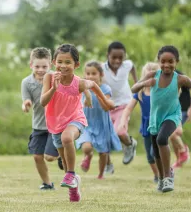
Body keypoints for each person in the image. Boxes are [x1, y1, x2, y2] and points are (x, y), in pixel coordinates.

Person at [131, 45, 191, 192]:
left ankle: (168, 176)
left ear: (177, 62)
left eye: (171, 61)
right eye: (163, 61)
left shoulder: (180, 79)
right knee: (155, 151)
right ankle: (162, 179)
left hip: (173, 115)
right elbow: (133, 89)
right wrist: (144, 83)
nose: (166, 65)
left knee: (162, 139)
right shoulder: (152, 75)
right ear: (158, 61)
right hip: (155, 117)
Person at [41, 44, 113, 202]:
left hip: (76, 120)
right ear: (54, 62)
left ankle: (72, 174)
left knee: (67, 138)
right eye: (60, 62)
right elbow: (42, 102)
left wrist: (105, 102)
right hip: (55, 124)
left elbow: (93, 85)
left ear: (76, 65)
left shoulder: (78, 83)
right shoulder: (49, 77)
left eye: (68, 62)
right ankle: (74, 186)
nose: (63, 66)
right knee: (65, 162)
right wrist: (54, 88)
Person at [21, 47, 61, 190]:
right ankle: (47, 184)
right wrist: (26, 105)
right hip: (39, 125)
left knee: (49, 157)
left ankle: (62, 154)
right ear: (31, 65)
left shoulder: (55, 78)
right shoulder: (26, 83)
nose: (40, 70)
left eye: (44, 66)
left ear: (50, 65)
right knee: (37, 157)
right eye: (37, 66)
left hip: (55, 125)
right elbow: (26, 100)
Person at [76, 61, 122, 179]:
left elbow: (106, 106)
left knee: (103, 152)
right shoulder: (82, 87)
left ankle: (101, 174)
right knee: (86, 147)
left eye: (94, 73)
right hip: (86, 123)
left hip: (102, 124)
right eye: (88, 73)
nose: (90, 76)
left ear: (101, 74)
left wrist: (97, 94)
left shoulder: (105, 88)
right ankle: (88, 156)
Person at [119, 62, 160, 183]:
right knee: (149, 155)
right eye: (148, 76)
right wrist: (123, 120)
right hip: (146, 126)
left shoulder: (159, 91)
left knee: (155, 151)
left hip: (159, 125)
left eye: (154, 76)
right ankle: (157, 175)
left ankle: (166, 172)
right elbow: (128, 108)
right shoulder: (140, 92)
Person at [102, 41, 138, 167]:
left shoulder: (127, 65)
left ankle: (129, 144)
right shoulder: (101, 68)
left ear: (125, 57)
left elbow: (132, 66)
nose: (117, 61)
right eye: (114, 57)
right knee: (104, 137)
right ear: (108, 55)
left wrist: (136, 82)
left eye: (120, 58)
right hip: (107, 106)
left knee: (120, 132)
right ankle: (107, 165)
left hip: (124, 104)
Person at [169, 69, 191, 169]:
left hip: (183, 109)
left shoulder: (178, 75)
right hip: (170, 110)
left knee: (173, 133)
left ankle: (183, 150)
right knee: (172, 136)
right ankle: (179, 159)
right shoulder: (160, 76)